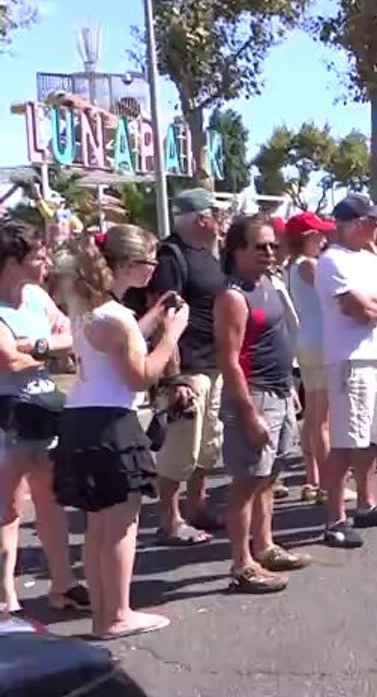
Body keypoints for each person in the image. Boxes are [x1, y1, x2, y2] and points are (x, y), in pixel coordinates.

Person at [53, 225, 188, 639]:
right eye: (149, 262)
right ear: (127, 265)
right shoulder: (116, 319)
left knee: (99, 526)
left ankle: (104, 614)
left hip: (80, 420)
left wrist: (153, 318)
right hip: (111, 423)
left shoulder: (89, 310)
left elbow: (121, 340)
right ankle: (117, 614)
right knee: (121, 526)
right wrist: (172, 333)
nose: (154, 270)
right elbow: (140, 376)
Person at [214, 217, 312, 593]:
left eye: (272, 246)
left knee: (269, 477)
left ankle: (265, 545)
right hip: (254, 395)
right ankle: (242, 563)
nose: (269, 253)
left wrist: (289, 392)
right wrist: (248, 413)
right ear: (237, 250)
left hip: (281, 390)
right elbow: (230, 361)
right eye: (260, 247)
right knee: (246, 482)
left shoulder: (269, 283)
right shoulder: (233, 297)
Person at [0, 220, 85, 615]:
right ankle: (6, 595)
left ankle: (63, 585)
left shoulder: (35, 296)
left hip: (43, 413)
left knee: (51, 500)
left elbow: (72, 333)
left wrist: (36, 344)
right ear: (13, 263)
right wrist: (45, 352)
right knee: (9, 508)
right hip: (7, 421)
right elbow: (10, 362)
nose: (45, 261)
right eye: (37, 255)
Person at [316, 194, 377, 549]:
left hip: (376, 356)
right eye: (373, 221)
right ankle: (334, 518)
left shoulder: (370, 259)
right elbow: (358, 310)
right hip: (350, 360)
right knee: (345, 442)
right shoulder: (331, 261)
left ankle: (366, 504)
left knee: (371, 438)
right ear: (355, 223)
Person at [142, 188, 230, 546]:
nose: (222, 220)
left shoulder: (209, 254)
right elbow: (164, 315)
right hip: (189, 367)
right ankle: (170, 519)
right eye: (217, 213)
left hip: (213, 364)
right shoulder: (171, 256)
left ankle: (197, 507)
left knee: (208, 445)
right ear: (201, 218)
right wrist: (174, 377)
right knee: (180, 449)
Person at [284, 211, 343, 505]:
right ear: (306, 238)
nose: (324, 238)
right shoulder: (308, 265)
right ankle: (328, 484)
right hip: (320, 343)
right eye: (318, 234)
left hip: (307, 342)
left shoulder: (291, 267)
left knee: (313, 416)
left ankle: (313, 478)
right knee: (322, 419)